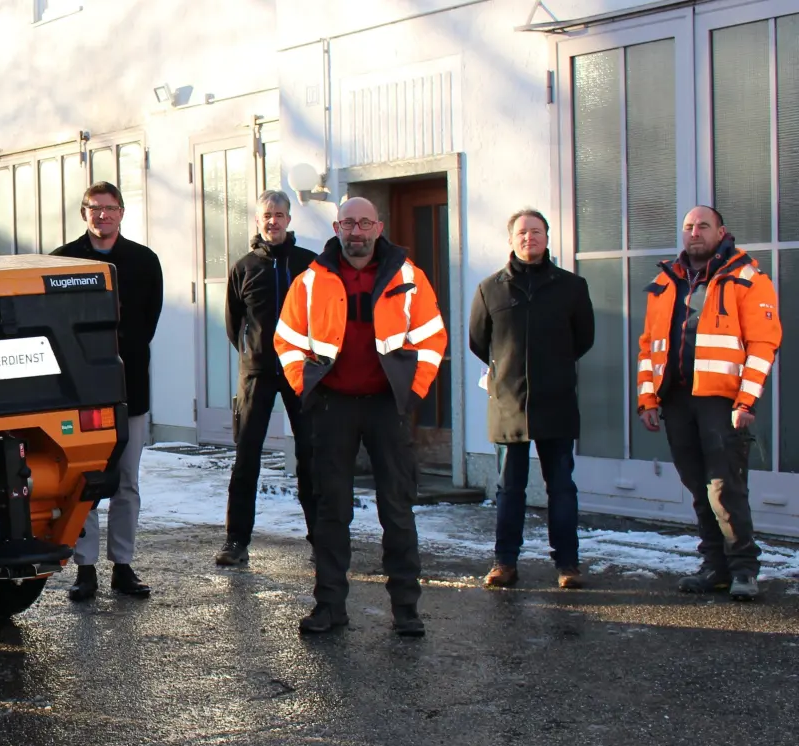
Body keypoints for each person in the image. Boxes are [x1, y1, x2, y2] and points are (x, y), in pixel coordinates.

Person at [273, 197, 446, 637]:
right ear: (337, 228)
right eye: (349, 223)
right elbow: (287, 340)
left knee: (397, 509)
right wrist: (306, 386)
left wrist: (411, 392)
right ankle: (329, 606)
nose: (357, 231)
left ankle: (406, 609)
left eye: (365, 223)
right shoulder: (311, 280)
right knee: (331, 511)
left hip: (387, 405)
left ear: (378, 227)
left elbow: (432, 338)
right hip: (333, 406)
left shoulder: (408, 276)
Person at [636, 206, 781, 599]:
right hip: (677, 400)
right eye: (689, 226)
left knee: (725, 488)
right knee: (698, 487)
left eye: (703, 225)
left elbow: (763, 345)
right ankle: (715, 567)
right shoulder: (665, 281)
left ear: (721, 232)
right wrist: (647, 398)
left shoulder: (746, 276)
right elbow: (649, 346)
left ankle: (744, 569)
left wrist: (746, 401)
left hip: (722, 401)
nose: (695, 232)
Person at [468, 209, 595, 589]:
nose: (529, 238)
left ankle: (568, 565)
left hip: (557, 400)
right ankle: (504, 563)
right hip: (509, 404)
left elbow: (583, 339)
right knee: (510, 488)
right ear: (511, 240)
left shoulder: (572, 287)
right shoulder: (490, 289)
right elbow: (478, 341)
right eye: (522, 232)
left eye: (536, 231)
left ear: (547, 237)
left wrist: (553, 368)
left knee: (562, 487)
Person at [51, 182, 164, 601]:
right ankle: (85, 569)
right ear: (84, 212)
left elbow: (147, 326)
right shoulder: (62, 261)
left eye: (110, 208)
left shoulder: (144, 261)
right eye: (95, 208)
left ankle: (123, 565)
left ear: (121, 212)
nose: (103, 215)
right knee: (85, 481)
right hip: (79, 394)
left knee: (127, 482)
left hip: (130, 388)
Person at [216, 190, 318, 566]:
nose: (272, 221)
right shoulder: (243, 267)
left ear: (289, 219)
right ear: (258, 220)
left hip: (301, 372)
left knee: (311, 457)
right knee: (247, 458)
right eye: (266, 215)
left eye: (279, 215)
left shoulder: (309, 265)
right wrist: (253, 354)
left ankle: (321, 538)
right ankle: (236, 541)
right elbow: (234, 324)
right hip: (257, 373)